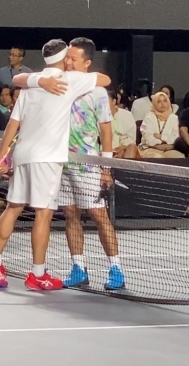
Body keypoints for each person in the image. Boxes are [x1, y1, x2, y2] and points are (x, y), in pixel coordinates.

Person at [0, 38, 111, 290]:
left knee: (13, 207)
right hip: (47, 159)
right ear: (63, 59)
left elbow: (12, 124)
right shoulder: (69, 81)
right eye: (68, 58)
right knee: (44, 213)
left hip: (22, 154)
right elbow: (104, 80)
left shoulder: (30, 85)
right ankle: (38, 274)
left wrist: (1, 156)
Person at [53, 37, 125, 290]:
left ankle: (116, 268)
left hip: (88, 164)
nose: (68, 62)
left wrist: (106, 167)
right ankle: (78, 267)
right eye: (67, 58)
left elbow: (106, 132)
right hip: (62, 162)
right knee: (70, 214)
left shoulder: (98, 92)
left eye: (73, 58)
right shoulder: (58, 85)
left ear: (87, 63)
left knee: (98, 215)